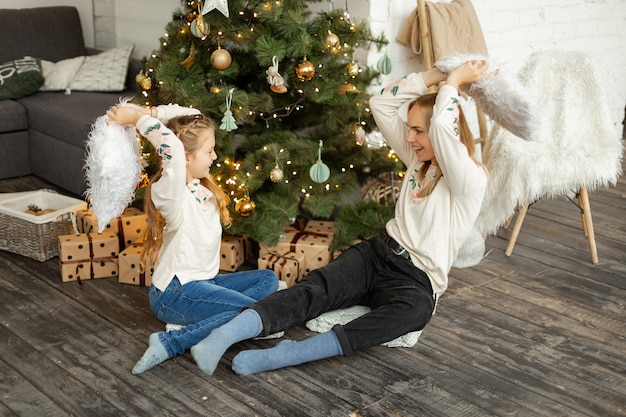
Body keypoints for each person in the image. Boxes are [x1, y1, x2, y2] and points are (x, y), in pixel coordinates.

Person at [188, 60, 493, 376]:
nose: (411, 138)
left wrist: (453, 82)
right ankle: (222, 336)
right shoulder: (419, 161)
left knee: (415, 312)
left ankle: (290, 354)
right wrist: (435, 76)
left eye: (418, 130)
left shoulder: (469, 180)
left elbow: (443, 130)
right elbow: (382, 102)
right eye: (411, 129)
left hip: (416, 280)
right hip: (379, 253)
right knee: (314, 289)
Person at [105, 103, 278, 375]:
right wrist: (137, 119)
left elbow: (195, 113)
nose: (215, 156)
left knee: (268, 280)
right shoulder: (171, 193)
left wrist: (151, 112)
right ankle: (171, 343)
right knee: (248, 310)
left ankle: (236, 318)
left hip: (203, 283)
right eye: (209, 151)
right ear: (186, 157)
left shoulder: (198, 187)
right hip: (173, 293)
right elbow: (171, 149)